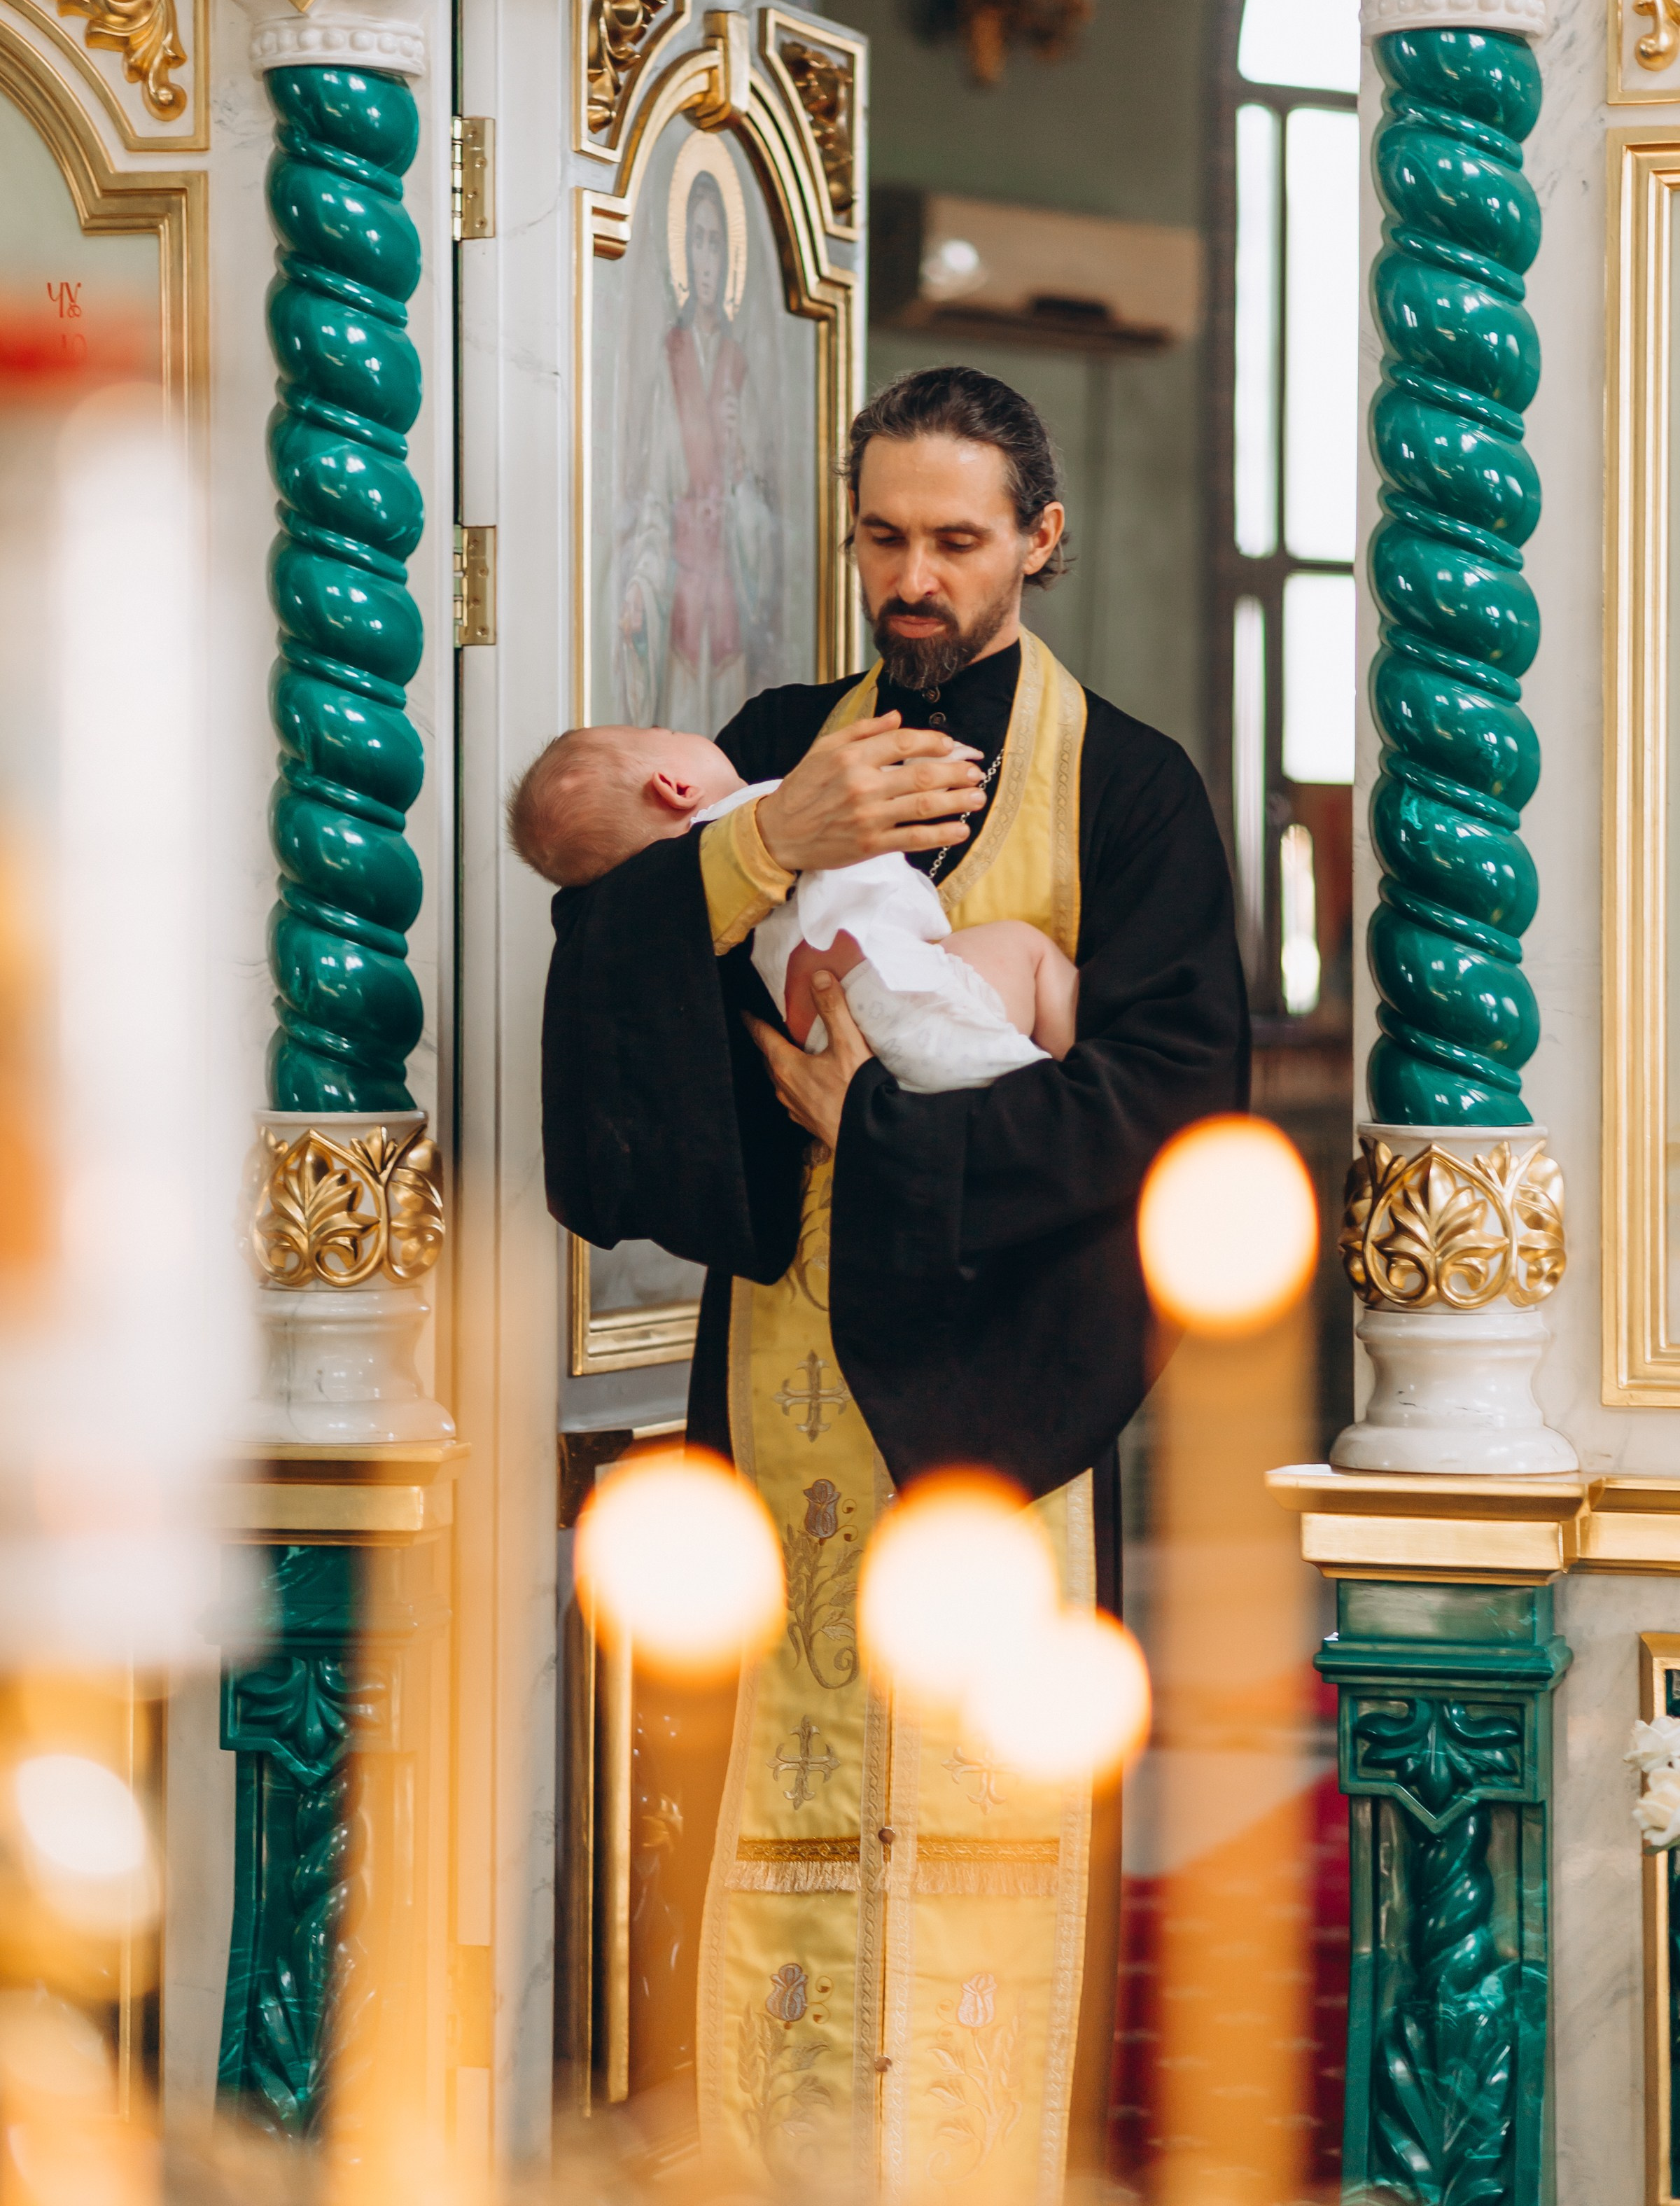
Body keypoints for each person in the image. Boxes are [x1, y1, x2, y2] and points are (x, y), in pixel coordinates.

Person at [539, 367, 1248, 2186]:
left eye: (955, 541)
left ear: (1041, 540)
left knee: (988, 1829)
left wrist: (886, 1128)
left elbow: (1178, 1107)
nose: (912, 580)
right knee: (758, 1818)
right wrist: (767, 844)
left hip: (1009, 1384)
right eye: (881, 539)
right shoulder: (777, 743)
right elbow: (615, 999)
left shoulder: (1130, 786)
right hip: (778, 1377)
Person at [506, 720, 1079, 1091]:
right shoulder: (772, 803)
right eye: (666, 730)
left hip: (828, 1037)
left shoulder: (681, 896)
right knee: (1028, 953)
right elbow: (872, 786)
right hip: (909, 996)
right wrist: (932, 759)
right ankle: (1069, 1057)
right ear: (675, 787)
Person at [614, 167, 778, 731]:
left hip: (729, 595)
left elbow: (762, 517)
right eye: (697, 242)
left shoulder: (739, 365)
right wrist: (640, 586)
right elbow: (653, 497)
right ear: (683, 256)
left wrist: (739, 472)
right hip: (679, 590)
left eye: (715, 244)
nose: (706, 260)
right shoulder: (671, 358)